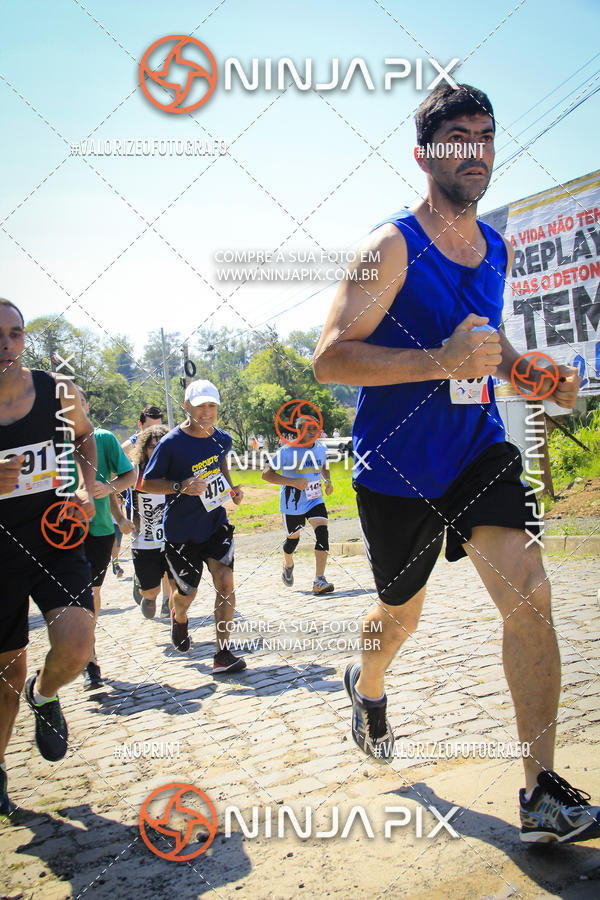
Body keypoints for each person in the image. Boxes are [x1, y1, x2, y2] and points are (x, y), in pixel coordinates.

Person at [313, 83, 600, 845]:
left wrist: (537, 378)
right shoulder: (392, 245)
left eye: (487, 135)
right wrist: (437, 360)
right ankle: (364, 683)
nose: (477, 150)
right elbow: (330, 359)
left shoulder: (495, 248)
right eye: (458, 138)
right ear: (425, 154)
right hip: (396, 469)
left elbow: (487, 347)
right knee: (399, 618)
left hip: (476, 452)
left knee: (530, 592)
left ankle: (540, 789)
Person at [0, 299, 97, 816]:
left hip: (56, 538)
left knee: (78, 646)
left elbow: (84, 440)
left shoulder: (58, 392)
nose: (6, 346)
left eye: (15, 334)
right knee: (4, 676)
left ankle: (45, 694)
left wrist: (85, 485)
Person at [141, 379, 247, 673]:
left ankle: (222, 653)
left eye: (211, 406)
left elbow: (220, 468)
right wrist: (180, 486)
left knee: (225, 581)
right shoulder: (171, 443)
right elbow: (147, 482)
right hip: (181, 531)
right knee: (187, 593)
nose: (206, 412)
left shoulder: (222, 439)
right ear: (187, 407)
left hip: (214, 523)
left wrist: (232, 491)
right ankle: (180, 617)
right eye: (200, 406)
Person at [77, 388, 135, 689]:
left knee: (89, 595)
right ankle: (85, 658)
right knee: (74, 598)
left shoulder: (104, 439)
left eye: (78, 401)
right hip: (56, 534)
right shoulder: (47, 441)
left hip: (98, 531)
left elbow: (130, 476)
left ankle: (89, 657)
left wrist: (109, 489)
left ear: (87, 405)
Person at [262, 415, 334, 594]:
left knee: (323, 533)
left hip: (314, 499)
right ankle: (288, 563)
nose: (312, 432)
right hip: (292, 502)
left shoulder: (321, 448)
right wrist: (293, 482)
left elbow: (323, 464)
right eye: (308, 429)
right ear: (299, 431)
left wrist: (327, 480)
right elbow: (266, 474)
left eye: (315, 429)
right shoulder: (286, 452)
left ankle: (319, 580)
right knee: (293, 540)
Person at [120, 424, 175, 620]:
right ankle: (146, 592)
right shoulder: (134, 471)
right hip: (143, 540)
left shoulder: (175, 470)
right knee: (151, 594)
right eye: (153, 446)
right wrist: (120, 519)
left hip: (172, 538)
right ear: (144, 448)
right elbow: (110, 490)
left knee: (175, 582)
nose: (157, 449)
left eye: (162, 445)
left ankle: (177, 620)